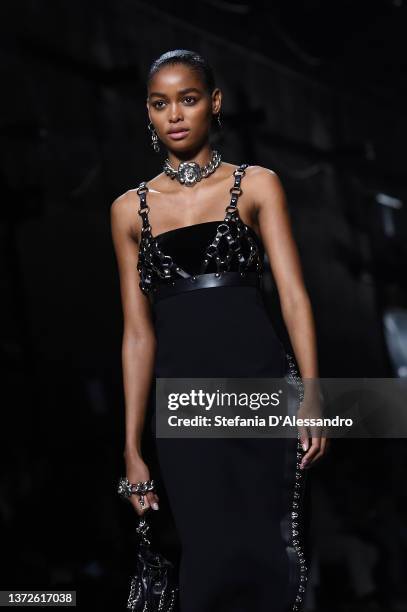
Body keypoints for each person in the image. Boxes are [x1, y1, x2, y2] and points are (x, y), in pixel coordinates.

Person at [111, 49, 327, 612]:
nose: (175, 115)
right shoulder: (128, 210)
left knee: (268, 551)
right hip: (183, 399)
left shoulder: (257, 185)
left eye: (188, 99)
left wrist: (312, 392)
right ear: (149, 114)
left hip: (258, 385)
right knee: (208, 557)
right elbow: (137, 334)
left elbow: (295, 296)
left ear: (214, 102)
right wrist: (131, 449)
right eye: (161, 104)